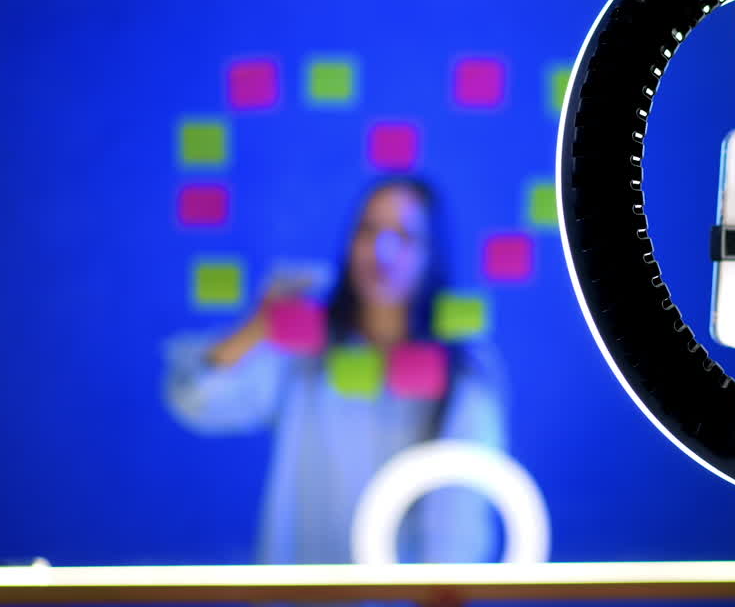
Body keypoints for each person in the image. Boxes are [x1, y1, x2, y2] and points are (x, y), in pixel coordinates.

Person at [164, 177, 505, 565]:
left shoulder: (463, 370)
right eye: (368, 230)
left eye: (405, 236)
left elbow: (463, 512)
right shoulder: (303, 351)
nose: (382, 250)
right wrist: (261, 324)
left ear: (432, 254)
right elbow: (194, 399)